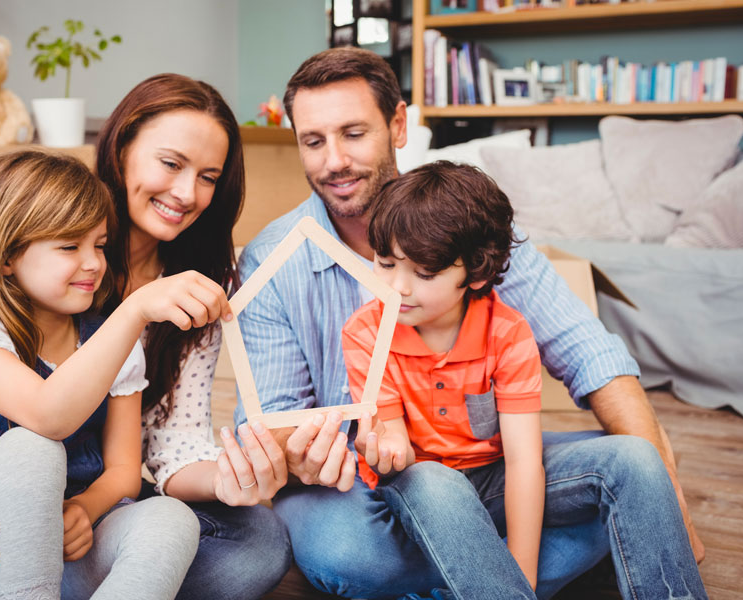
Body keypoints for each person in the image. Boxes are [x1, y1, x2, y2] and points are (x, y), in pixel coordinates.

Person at [234, 47, 703, 598]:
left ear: (399, 124)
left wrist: (670, 501)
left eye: (354, 133)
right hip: (364, 484)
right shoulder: (272, 260)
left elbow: (585, 350)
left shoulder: (470, 224)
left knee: (636, 471)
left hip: (488, 461)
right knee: (347, 554)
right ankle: (512, 562)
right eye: (313, 141)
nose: (333, 159)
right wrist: (316, 451)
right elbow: (270, 420)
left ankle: (480, 570)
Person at [0, 74, 291, 600]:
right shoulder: (2, 238)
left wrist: (229, 479)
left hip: (91, 518)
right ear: (121, 148)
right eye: (171, 163)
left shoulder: (196, 283)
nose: (187, 193)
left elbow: (164, 449)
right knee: (30, 454)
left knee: (256, 541)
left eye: (209, 176)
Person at [341, 161, 707, 599]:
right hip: (418, 483)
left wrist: (523, 574)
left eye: (424, 273)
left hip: (492, 475)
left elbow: (522, 462)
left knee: (636, 458)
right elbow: (394, 441)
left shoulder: (508, 333)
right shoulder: (365, 332)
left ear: (474, 273)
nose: (397, 287)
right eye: (385, 264)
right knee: (435, 482)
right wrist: (385, 444)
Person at [0, 150, 205, 598]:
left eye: (99, 244)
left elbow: (122, 469)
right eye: (68, 247)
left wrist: (85, 508)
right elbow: (47, 415)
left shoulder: (111, 339)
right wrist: (135, 308)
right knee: (33, 448)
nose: (95, 263)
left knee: (173, 518)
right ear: (6, 258)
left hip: (69, 545)